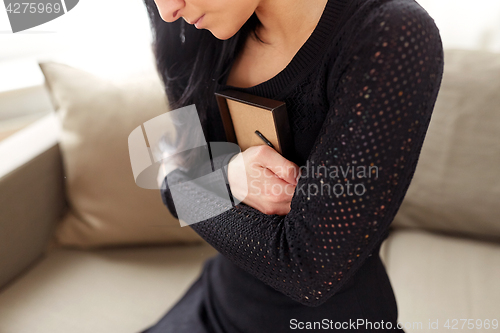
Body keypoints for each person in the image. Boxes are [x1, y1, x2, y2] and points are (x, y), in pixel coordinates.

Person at [141, 0, 444, 332]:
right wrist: (226, 177)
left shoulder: (390, 32)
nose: (167, 10)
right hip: (217, 305)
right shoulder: (203, 33)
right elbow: (167, 148)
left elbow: (307, 271)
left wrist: (176, 186)